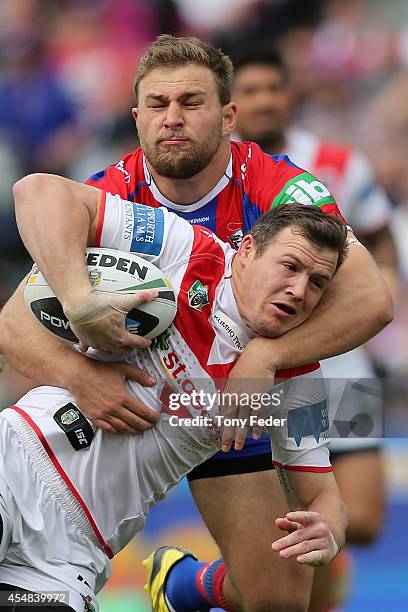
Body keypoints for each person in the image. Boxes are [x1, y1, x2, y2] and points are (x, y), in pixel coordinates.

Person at [0, 35, 392, 612]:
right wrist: (80, 361)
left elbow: (372, 301)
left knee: (337, 542)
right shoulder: (148, 217)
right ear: (136, 118)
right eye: (158, 106)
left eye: (192, 102)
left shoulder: (304, 183)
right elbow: (14, 319)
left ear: (231, 116)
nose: (173, 120)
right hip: (144, 406)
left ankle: (181, 583)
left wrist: (264, 359)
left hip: (292, 368)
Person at [2, 176, 348, 612]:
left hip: (70, 549)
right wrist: (78, 300)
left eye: (317, 283)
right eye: (290, 267)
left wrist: (329, 531)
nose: (299, 290)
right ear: (247, 252)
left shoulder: (298, 383)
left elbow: (324, 498)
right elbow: (35, 191)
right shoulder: (187, 250)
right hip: (14, 464)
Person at [231, 44, 397, 610]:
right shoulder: (223, 174)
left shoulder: (335, 162)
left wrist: (381, 292)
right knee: (294, 516)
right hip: (260, 367)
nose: (263, 101)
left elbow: (378, 241)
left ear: (289, 94)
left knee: (365, 518)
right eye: (249, 91)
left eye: (272, 89)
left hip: (339, 355)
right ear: (231, 105)